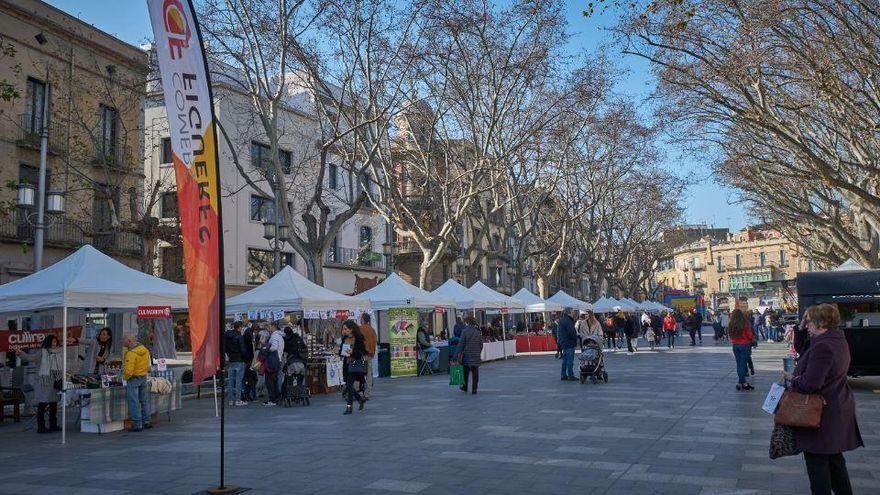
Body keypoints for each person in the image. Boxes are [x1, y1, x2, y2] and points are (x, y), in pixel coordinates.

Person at [785, 304, 862, 495]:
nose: (807, 326)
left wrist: (793, 379)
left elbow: (811, 383)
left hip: (821, 415)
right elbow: (803, 348)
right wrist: (801, 325)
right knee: (835, 464)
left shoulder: (823, 346)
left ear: (820, 323)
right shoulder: (836, 340)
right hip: (836, 408)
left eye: (809, 322)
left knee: (818, 467)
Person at [17, 335, 64, 433]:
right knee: (42, 405)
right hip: (44, 383)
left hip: (55, 382)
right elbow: (30, 358)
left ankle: (53, 425)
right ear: (47, 342)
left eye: (55, 342)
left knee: (53, 404)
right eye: (52, 342)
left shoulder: (59, 353)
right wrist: (21, 354)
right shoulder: (42, 353)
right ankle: (41, 427)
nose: (53, 344)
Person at [122, 335, 152, 431]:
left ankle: (137, 424)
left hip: (133, 378)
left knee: (133, 401)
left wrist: (125, 378)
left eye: (124, 340)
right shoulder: (145, 350)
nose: (122, 342)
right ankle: (146, 421)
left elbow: (128, 371)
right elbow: (148, 364)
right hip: (143, 376)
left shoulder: (131, 353)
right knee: (144, 400)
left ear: (129, 340)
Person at [339, 319, 367, 414]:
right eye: (343, 329)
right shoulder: (345, 338)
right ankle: (360, 399)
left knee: (350, 385)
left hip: (355, 364)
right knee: (348, 385)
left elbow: (362, 352)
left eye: (346, 329)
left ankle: (349, 407)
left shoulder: (358, 338)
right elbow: (341, 351)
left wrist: (353, 352)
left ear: (351, 329)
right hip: (347, 364)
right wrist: (342, 353)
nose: (344, 331)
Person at [727, 309, 755, 391]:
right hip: (745, 345)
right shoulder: (745, 323)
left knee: (739, 364)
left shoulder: (731, 324)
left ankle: (742, 383)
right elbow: (749, 335)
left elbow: (730, 335)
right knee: (743, 364)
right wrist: (752, 339)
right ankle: (741, 382)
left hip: (735, 345)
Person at [456, 316, 483, 394]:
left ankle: (465, 387)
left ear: (467, 322)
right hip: (476, 355)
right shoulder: (478, 331)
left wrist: (456, 354)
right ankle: (474, 389)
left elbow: (461, 344)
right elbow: (481, 344)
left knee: (465, 372)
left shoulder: (465, 331)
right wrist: (478, 352)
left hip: (466, 355)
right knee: (475, 373)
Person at [225, 322, 247, 406]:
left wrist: (230, 355)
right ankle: (238, 400)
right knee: (238, 380)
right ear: (240, 327)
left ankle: (230, 400)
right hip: (239, 359)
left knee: (230, 380)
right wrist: (245, 358)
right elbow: (243, 350)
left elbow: (225, 348)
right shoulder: (239, 336)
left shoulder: (227, 337)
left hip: (231, 360)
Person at [263, 323, 284, 406]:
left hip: (273, 361)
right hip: (278, 359)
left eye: (268, 327)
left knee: (269, 381)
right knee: (274, 380)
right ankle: (276, 397)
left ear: (273, 327)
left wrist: (265, 347)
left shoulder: (274, 336)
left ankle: (273, 399)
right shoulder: (280, 336)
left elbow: (274, 347)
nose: (268, 329)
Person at [359, 313, 378, 399]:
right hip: (369, 354)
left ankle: (359, 392)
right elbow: (374, 342)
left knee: (358, 373)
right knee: (368, 374)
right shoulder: (372, 330)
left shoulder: (359, 329)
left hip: (361, 354)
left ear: (363, 319)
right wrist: (372, 352)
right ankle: (368, 392)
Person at [557, 308, 578, 381]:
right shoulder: (568, 321)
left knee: (565, 360)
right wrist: (576, 338)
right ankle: (570, 375)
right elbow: (571, 332)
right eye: (572, 312)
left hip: (564, 342)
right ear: (569, 313)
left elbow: (559, 333)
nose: (573, 314)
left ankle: (563, 375)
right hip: (569, 342)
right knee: (570, 360)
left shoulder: (562, 320)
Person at [241, 321, 257, 402]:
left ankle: (247, 394)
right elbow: (250, 350)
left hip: (247, 359)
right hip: (249, 360)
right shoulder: (249, 339)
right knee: (250, 378)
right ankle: (249, 395)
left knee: (247, 378)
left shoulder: (246, 336)